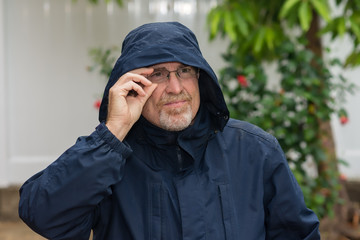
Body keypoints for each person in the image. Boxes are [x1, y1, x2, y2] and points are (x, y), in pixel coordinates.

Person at [18, 21, 320, 239]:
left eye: (185, 70)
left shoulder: (256, 151)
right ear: (133, 85)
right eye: (158, 74)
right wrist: (113, 132)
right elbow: (44, 217)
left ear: (201, 77)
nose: (175, 88)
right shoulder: (107, 160)